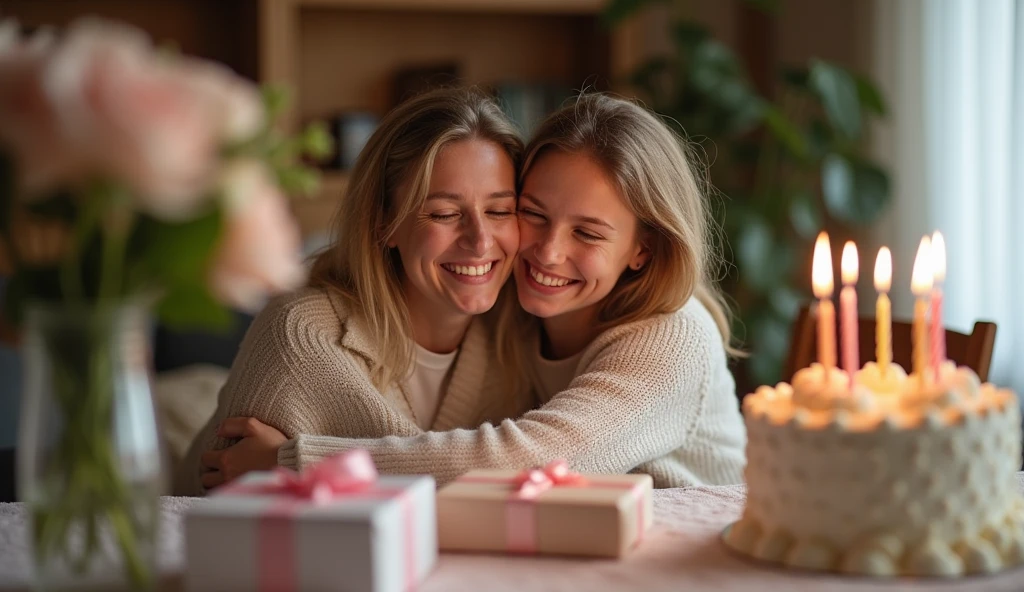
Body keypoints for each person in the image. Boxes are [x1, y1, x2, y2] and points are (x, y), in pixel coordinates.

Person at [204, 94, 747, 489]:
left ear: (643, 249)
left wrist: (300, 461)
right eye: (532, 213)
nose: (546, 252)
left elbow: (527, 458)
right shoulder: (505, 314)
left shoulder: (672, 338)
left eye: (586, 232)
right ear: (383, 223)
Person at [173, 87, 532, 495]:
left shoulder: (524, 337)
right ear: (385, 223)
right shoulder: (299, 338)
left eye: (500, 211)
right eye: (445, 213)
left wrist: (301, 464)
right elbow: (210, 504)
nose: (481, 240)